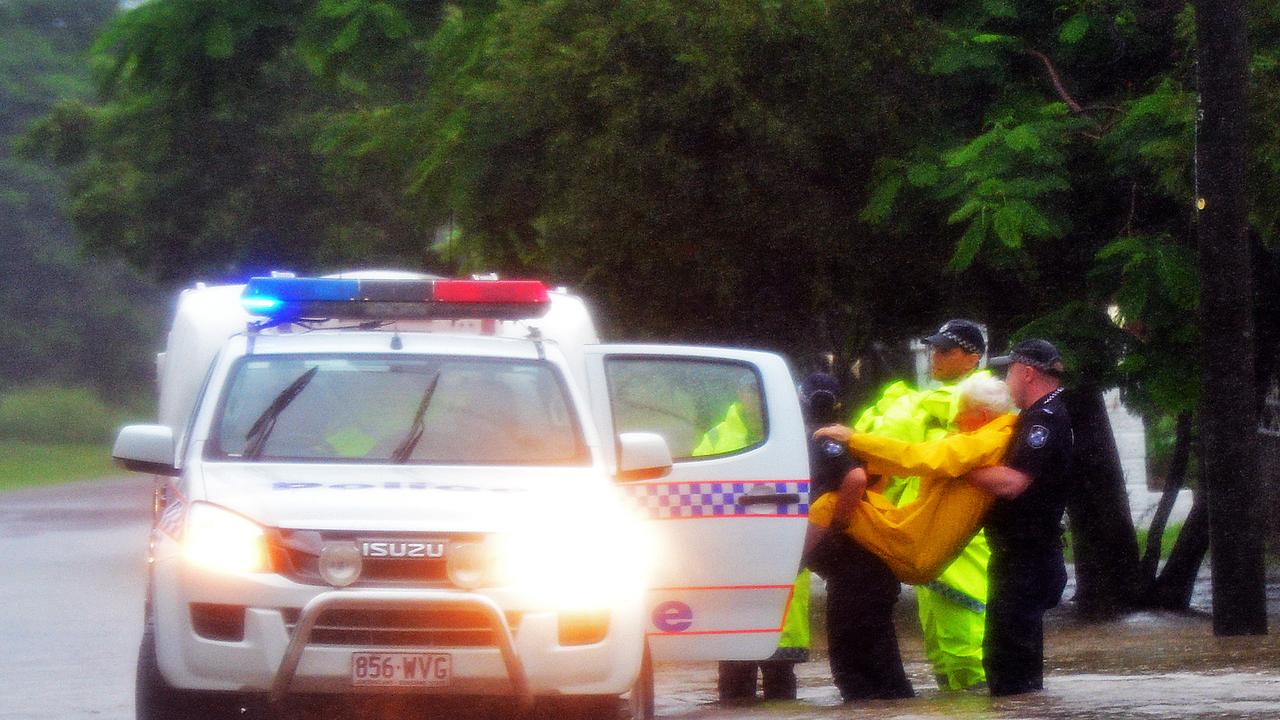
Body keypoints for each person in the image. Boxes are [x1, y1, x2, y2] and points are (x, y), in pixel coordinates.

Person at [852, 319, 993, 690]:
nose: (936, 356)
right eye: (934, 349)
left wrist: (897, 403)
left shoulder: (978, 400)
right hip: (929, 536)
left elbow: (885, 435)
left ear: (972, 358)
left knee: (966, 651)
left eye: (946, 350)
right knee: (941, 654)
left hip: (962, 541)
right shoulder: (927, 403)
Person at [965, 339, 1074, 696]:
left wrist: (955, 469)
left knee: (1009, 667)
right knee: (1013, 662)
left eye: (1009, 370)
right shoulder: (1044, 412)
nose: (1005, 379)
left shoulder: (1045, 418)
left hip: (1026, 558)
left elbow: (1013, 484)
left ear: (1027, 373)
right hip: (1028, 554)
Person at [801, 372, 915, 702]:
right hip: (861, 570)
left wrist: (839, 524)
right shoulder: (837, 437)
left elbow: (853, 478)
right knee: (871, 657)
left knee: (857, 660)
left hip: (860, 569)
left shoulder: (824, 440)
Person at [694, 375, 805, 700]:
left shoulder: (797, 436)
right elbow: (695, 494)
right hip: (732, 557)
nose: (755, 400)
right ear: (741, 395)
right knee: (733, 677)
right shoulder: (716, 437)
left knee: (782, 681)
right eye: (749, 393)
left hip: (781, 553)